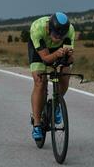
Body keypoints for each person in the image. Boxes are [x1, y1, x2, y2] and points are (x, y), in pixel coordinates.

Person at [28, 12, 75, 140]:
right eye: (56, 34)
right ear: (49, 28)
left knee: (65, 74)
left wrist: (69, 56)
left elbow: (70, 60)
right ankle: (37, 124)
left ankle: (56, 104)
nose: (59, 38)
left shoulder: (70, 31)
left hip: (58, 50)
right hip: (40, 52)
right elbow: (45, 59)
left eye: (62, 35)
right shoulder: (37, 28)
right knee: (40, 81)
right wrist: (55, 55)